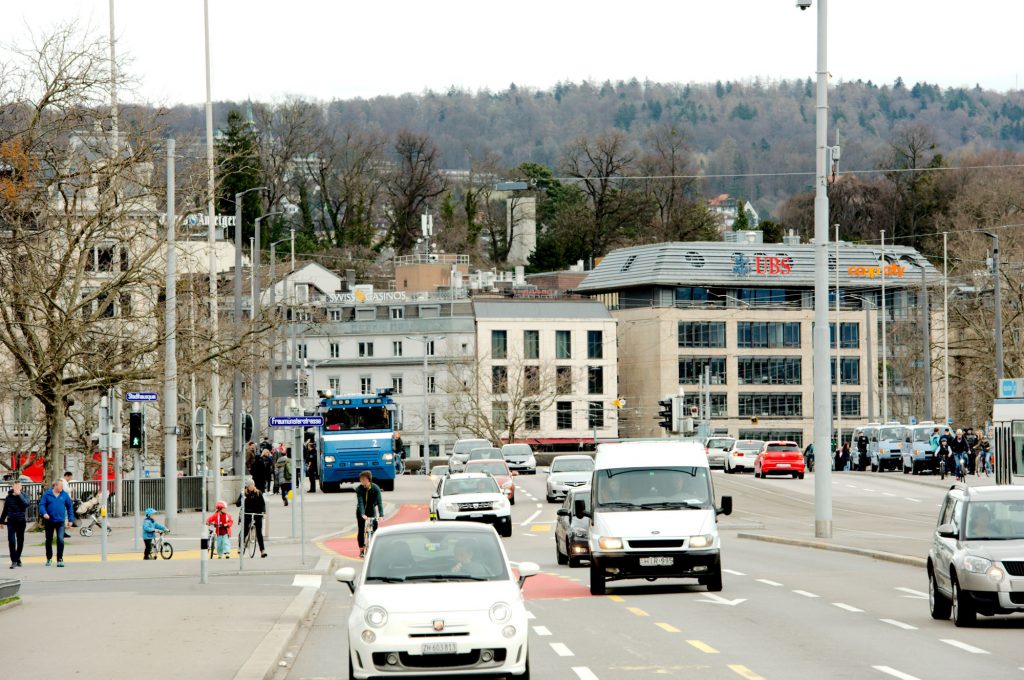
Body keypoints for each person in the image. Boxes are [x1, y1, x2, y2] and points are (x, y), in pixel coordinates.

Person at [39, 479, 75, 567]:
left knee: (60, 539)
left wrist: (70, 520)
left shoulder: (64, 494)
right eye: (60, 486)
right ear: (55, 486)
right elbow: (41, 505)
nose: (62, 487)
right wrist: (44, 513)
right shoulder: (47, 494)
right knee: (49, 540)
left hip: (60, 521)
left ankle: (60, 559)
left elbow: (70, 507)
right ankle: (49, 558)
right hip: (49, 521)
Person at [0, 480, 29, 568]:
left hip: (21, 521)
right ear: (12, 487)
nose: (16, 488)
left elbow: (26, 504)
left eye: (18, 487)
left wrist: (19, 495)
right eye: (15, 487)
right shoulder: (8, 497)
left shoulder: (24, 495)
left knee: (20, 541)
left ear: (21, 487)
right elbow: (5, 510)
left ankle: (17, 558)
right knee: (12, 541)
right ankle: (14, 561)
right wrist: (1, 521)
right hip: (11, 521)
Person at [236, 479, 267, 558]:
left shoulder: (258, 493)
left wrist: (263, 512)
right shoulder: (244, 493)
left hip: (257, 513)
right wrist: (242, 499)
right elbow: (237, 504)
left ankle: (262, 550)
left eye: (252, 485)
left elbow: (263, 504)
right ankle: (241, 546)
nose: (251, 487)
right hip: (247, 513)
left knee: (259, 533)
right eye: (250, 485)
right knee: (245, 530)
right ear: (247, 486)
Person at [355, 471, 383, 558]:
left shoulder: (376, 488)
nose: (362, 481)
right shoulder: (359, 489)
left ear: (369, 480)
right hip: (361, 511)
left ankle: (374, 547)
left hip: (371, 510)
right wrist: (362, 514)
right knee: (361, 530)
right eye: (361, 479)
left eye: (364, 479)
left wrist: (381, 515)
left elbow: (379, 503)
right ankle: (361, 550)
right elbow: (360, 503)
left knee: (375, 527)